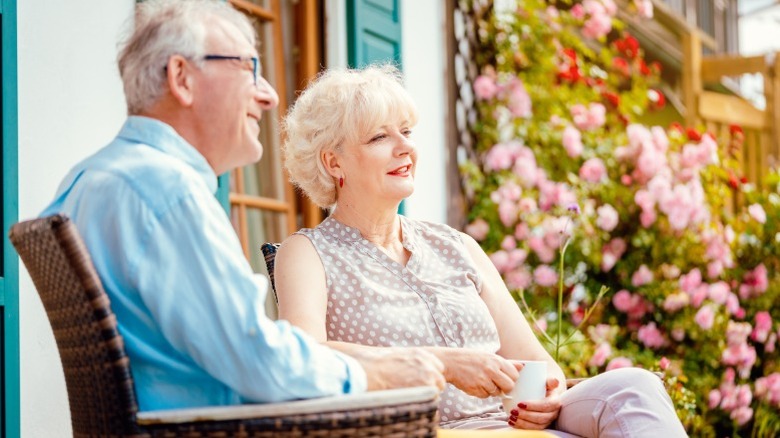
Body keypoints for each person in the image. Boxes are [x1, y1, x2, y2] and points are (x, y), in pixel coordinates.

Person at [40, 0, 444, 412]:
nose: (269, 96)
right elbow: (261, 362)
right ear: (182, 78)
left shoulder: (85, 181)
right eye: (249, 68)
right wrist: (380, 375)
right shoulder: (166, 191)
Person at [275, 64, 688, 437]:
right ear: (334, 162)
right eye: (381, 136)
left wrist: (548, 396)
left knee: (635, 387)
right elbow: (304, 351)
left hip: (520, 429)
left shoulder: (456, 246)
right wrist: (445, 363)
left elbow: (538, 363)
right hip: (427, 430)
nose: (405, 148)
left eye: (407, 132)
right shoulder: (309, 252)